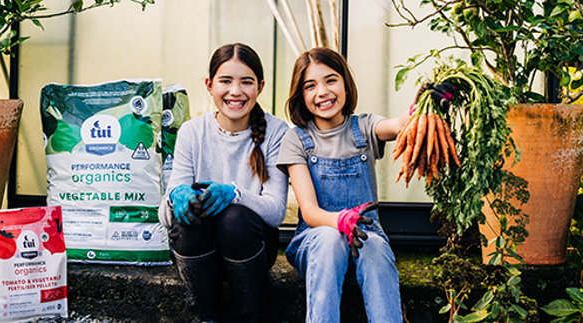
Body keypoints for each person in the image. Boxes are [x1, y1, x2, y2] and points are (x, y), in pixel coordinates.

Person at [276, 47, 453, 322]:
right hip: (315, 247)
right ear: (301, 95)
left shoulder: (365, 127)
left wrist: (422, 106)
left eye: (331, 80)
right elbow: (309, 212)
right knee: (328, 237)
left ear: (346, 83)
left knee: (376, 248)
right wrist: (339, 221)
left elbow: (399, 125)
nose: (322, 91)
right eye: (310, 86)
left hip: (364, 239)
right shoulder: (296, 139)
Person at [159, 43, 289, 323]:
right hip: (201, 251)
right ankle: (205, 317)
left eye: (246, 82)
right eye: (225, 81)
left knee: (234, 218)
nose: (235, 91)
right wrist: (175, 197)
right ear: (209, 85)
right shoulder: (192, 132)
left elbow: (277, 211)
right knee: (189, 215)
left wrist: (236, 194)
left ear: (260, 86)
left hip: (251, 247)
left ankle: (255, 317)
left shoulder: (278, 132)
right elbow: (167, 218)